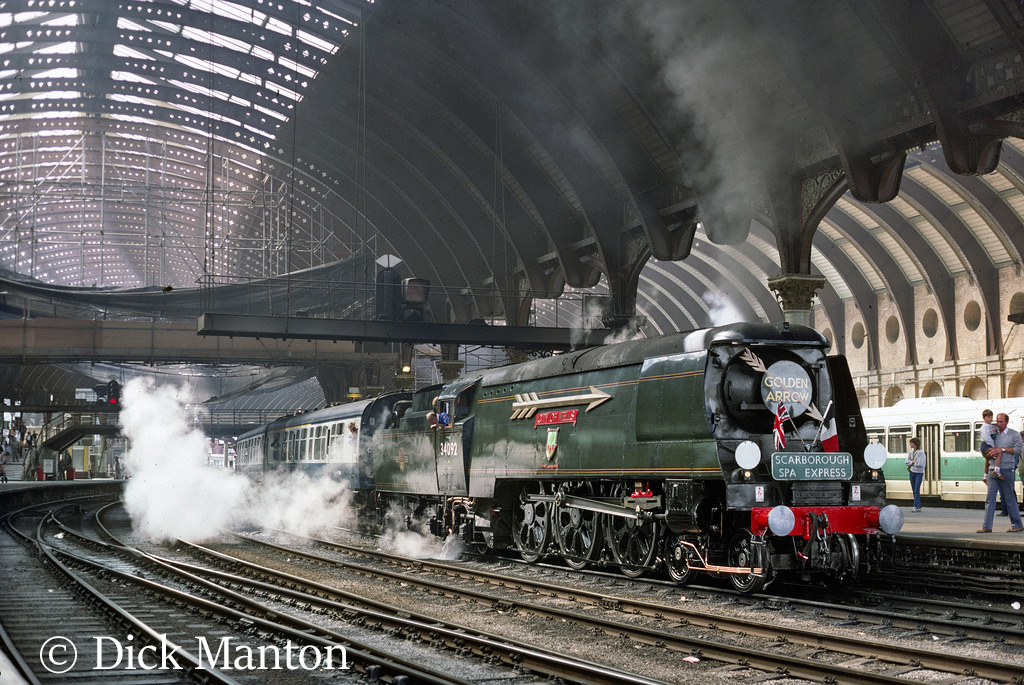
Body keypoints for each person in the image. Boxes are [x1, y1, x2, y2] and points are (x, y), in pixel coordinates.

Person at [979, 412, 1024, 533]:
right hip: (992, 470)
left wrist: (1002, 449)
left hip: (1007, 470)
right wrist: (988, 453)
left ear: (1007, 422)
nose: (998, 424)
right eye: (997, 421)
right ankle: (987, 526)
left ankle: (1017, 524)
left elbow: (1018, 450)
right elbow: (983, 450)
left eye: (1001, 422)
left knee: (1009, 498)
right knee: (990, 499)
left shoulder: (1014, 435)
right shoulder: (992, 432)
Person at [905, 437, 925, 512]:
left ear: (915, 444)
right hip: (912, 472)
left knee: (916, 489)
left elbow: (920, 464)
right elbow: (906, 462)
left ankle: (915, 506)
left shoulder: (921, 453)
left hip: (919, 473)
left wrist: (912, 462)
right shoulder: (911, 453)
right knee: (914, 489)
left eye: (911, 443)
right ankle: (918, 506)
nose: (910, 444)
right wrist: (912, 462)